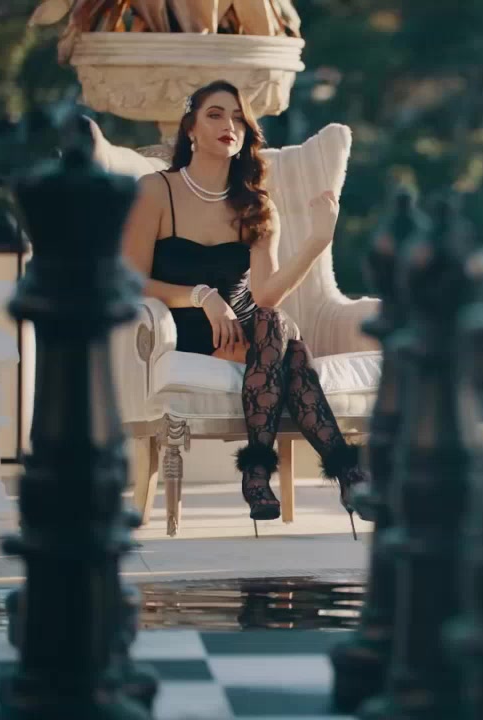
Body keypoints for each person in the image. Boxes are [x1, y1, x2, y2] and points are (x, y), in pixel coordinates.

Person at [120, 79, 367, 534]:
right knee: (292, 354)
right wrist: (201, 295)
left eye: (238, 118)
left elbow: (265, 295)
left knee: (274, 322)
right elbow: (131, 280)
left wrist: (316, 242)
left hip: (241, 333)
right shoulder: (156, 190)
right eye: (215, 114)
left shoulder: (256, 205)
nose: (229, 125)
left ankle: (258, 474)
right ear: (190, 128)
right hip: (174, 330)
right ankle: (345, 472)